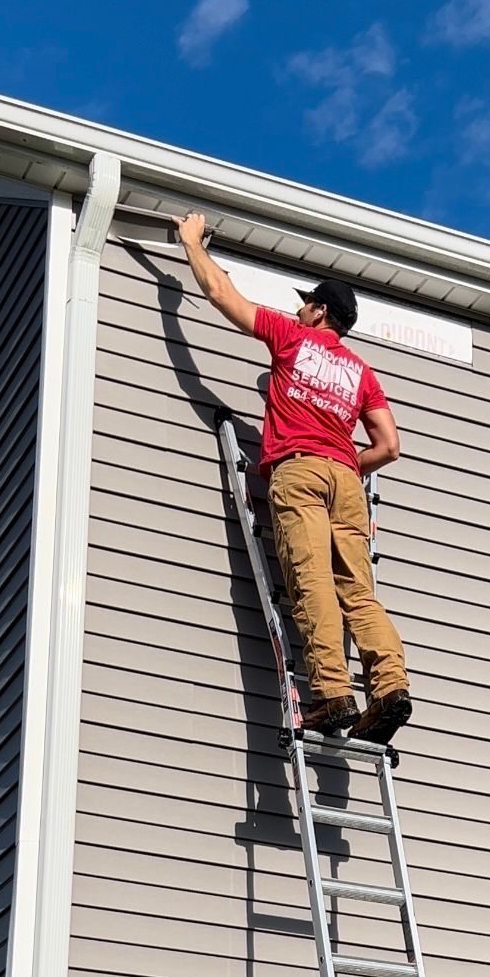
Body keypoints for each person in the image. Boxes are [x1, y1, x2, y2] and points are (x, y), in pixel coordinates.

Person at [176, 211, 412, 743]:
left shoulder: (290, 339)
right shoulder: (360, 372)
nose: (296, 308)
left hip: (301, 472)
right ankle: (391, 685)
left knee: (311, 583)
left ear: (320, 311)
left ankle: (331, 697)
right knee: (358, 591)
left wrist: (191, 243)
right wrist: (348, 462)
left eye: (304, 302)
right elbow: (390, 447)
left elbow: (220, 293)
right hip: (347, 485)